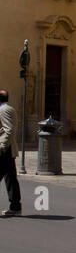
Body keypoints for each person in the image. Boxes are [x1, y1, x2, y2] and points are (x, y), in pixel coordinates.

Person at [0, 89, 21, 217]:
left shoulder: (3, 110)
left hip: (4, 150)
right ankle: (15, 207)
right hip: (8, 149)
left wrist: (2, 146)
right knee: (11, 179)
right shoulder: (8, 108)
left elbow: (9, 130)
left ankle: (15, 207)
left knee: (11, 178)